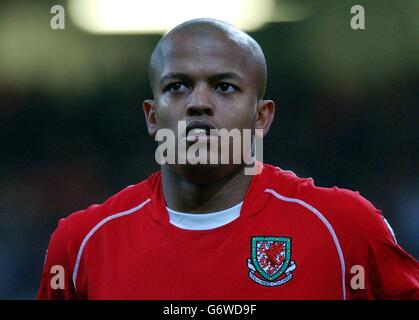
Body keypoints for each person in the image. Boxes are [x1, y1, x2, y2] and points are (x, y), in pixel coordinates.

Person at [38, 18, 418, 300]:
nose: (199, 103)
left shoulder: (346, 228)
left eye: (224, 86)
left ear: (261, 117)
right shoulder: (80, 244)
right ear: (153, 117)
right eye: (178, 86)